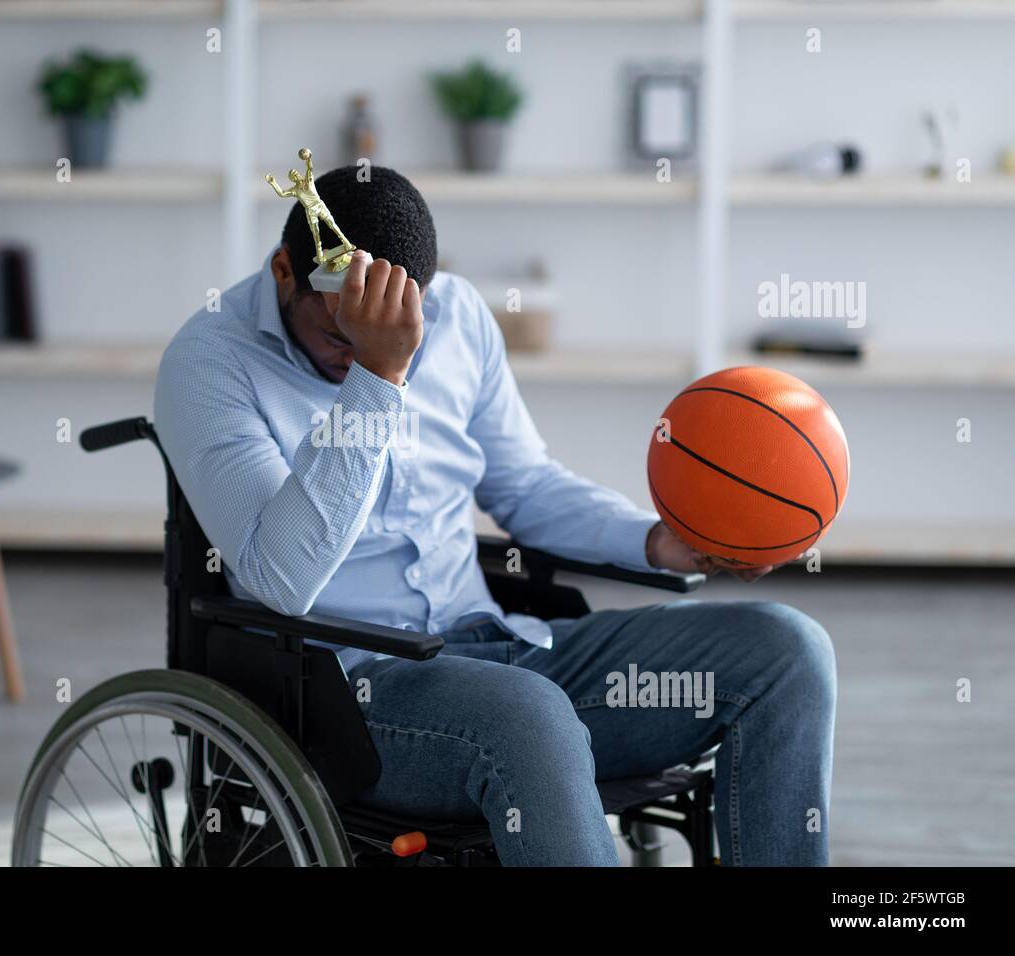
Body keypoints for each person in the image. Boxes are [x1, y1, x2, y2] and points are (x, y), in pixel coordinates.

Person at [154, 165, 836, 866]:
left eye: (387, 329)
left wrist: (659, 542)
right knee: (528, 715)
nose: (358, 345)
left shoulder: (456, 316)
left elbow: (526, 487)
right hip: (350, 700)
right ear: (284, 272)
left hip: (502, 649)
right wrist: (378, 378)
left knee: (786, 651)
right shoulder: (209, 363)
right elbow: (281, 578)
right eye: (340, 336)